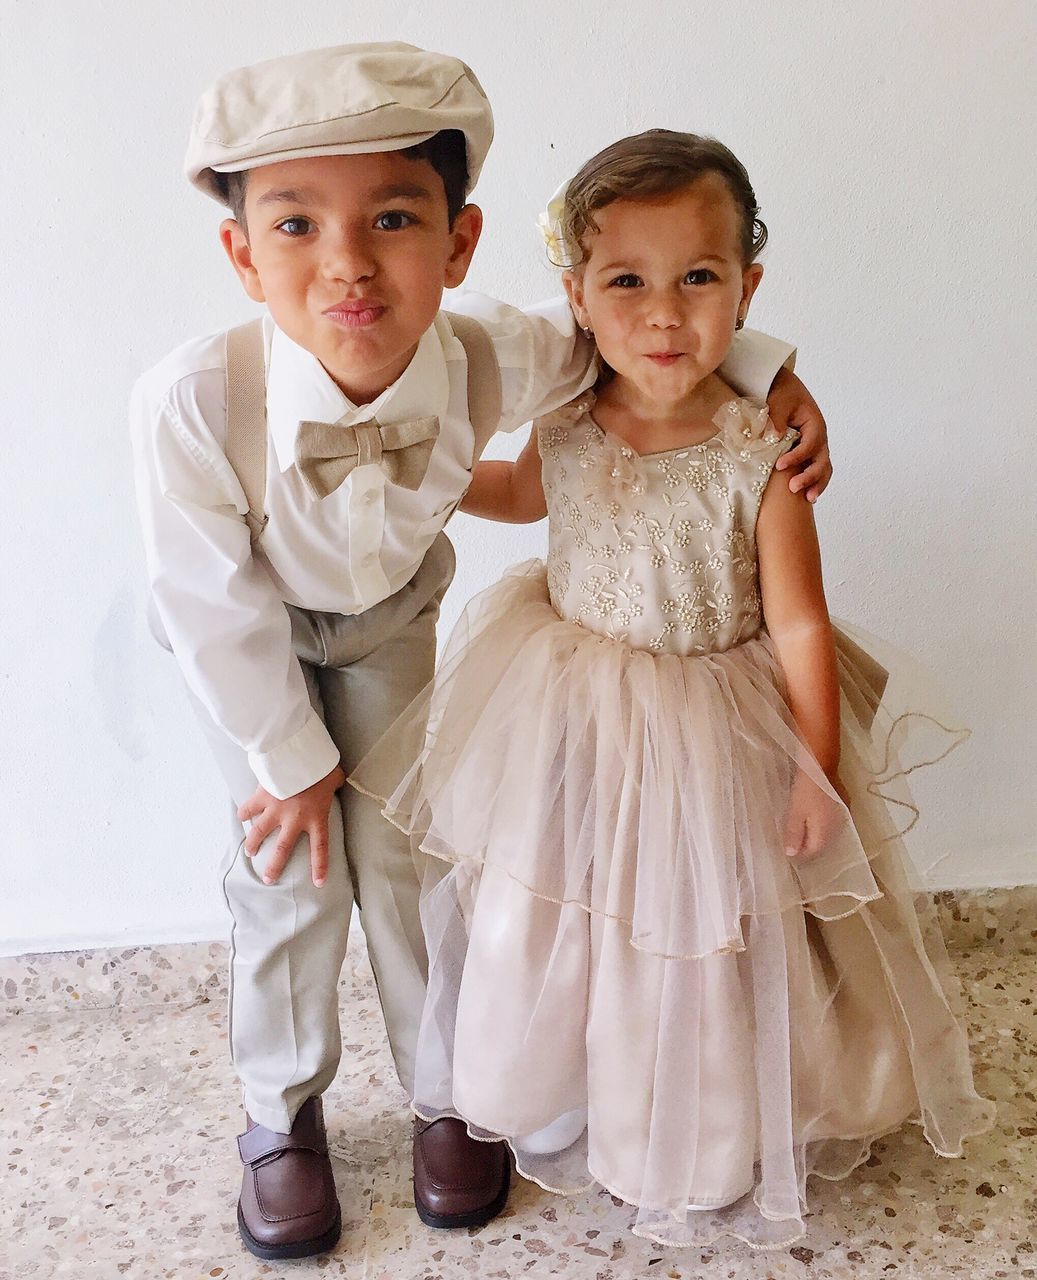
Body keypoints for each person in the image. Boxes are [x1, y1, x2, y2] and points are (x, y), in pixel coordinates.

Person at [131, 43, 827, 1258]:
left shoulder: (493, 348)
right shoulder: (195, 400)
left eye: (393, 218)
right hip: (252, 651)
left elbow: (638, 327)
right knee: (289, 873)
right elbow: (205, 602)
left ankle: (447, 1089)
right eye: (295, 224)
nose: (347, 262)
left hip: (393, 619)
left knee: (415, 854)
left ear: (457, 246)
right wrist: (290, 757)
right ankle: (278, 1108)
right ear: (242, 253)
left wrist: (775, 379)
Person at [350, 129, 995, 1249]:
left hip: (717, 735)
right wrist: (436, 476)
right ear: (577, 297)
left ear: (747, 287)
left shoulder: (762, 453)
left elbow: (795, 617)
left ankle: (687, 1134)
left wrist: (814, 767)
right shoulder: (566, 418)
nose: (661, 314)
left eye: (697, 278)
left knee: (701, 942)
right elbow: (520, 489)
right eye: (626, 282)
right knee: (554, 916)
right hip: (571, 716)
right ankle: (560, 1089)